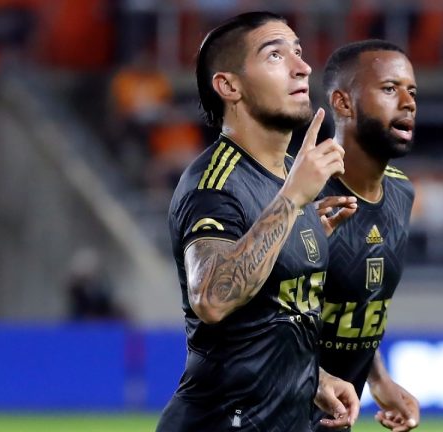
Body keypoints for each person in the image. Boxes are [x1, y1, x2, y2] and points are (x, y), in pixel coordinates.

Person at [157, 12, 359, 432]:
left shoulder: (291, 174)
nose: (301, 66)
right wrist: (292, 199)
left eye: (299, 53)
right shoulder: (214, 182)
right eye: (274, 55)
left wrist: (313, 379)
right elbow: (211, 297)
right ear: (230, 86)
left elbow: (271, 317)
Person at [312, 40, 421, 431]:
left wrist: (378, 379)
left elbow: (358, 306)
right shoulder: (297, 191)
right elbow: (251, 321)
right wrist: (315, 379)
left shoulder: (401, 192)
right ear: (343, 103)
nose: (408, 102)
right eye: (390, 89)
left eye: (412, 91)